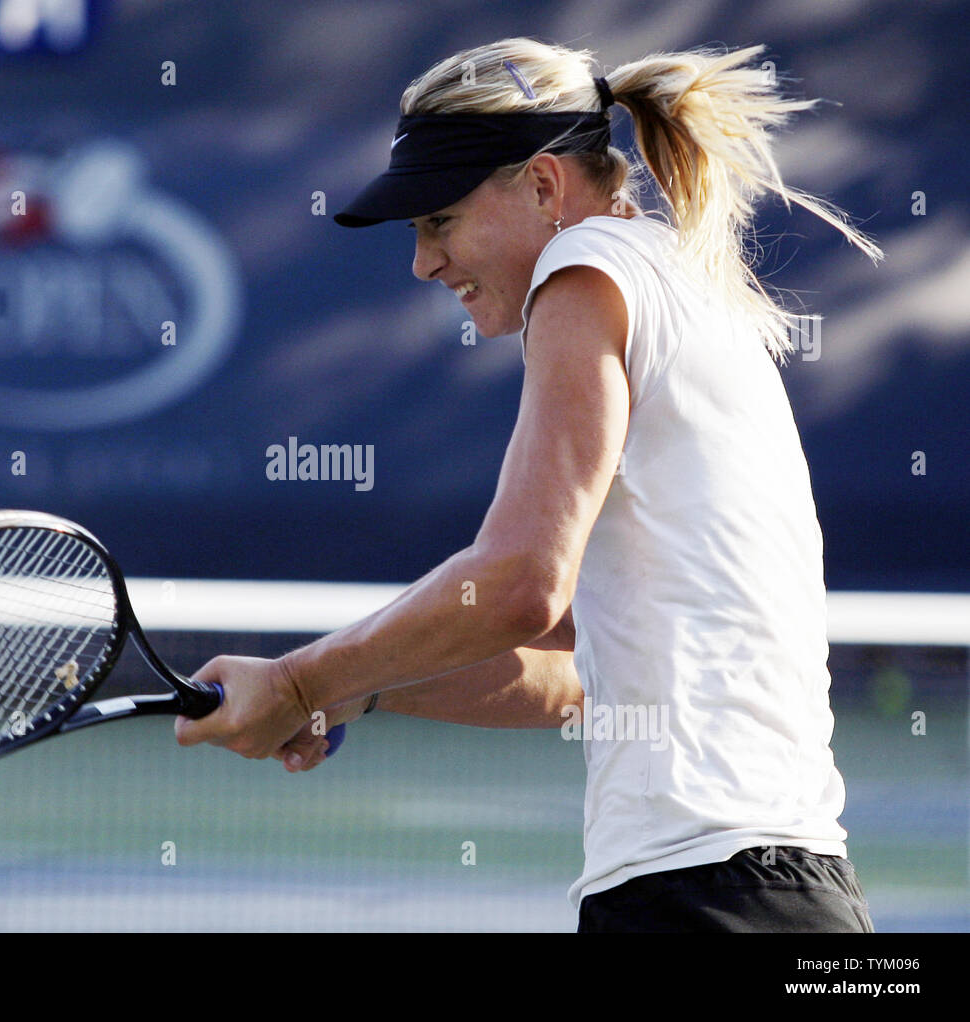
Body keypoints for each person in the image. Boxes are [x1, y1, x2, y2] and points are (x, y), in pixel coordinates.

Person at [174, 37, 882, 933]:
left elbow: (518, 583)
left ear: (546, 188)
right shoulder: (678, 281)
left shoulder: (584, 268)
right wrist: (365, 685)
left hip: (698, 901)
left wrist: (298, 680)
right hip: (794, 899)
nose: (424, 263)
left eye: (440, 222)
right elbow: (582, 668)